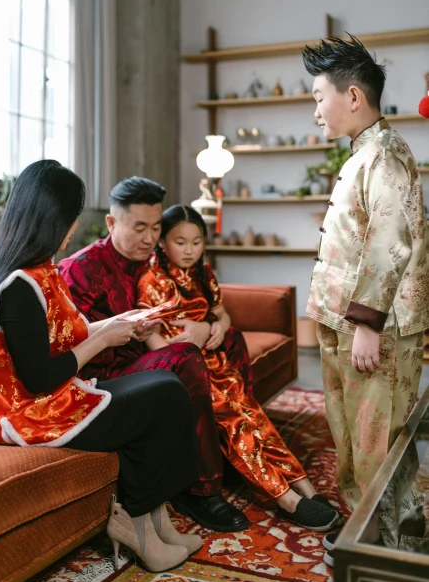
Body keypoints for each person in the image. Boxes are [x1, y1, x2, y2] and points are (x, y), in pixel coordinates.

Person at [0, 160, 203, 573]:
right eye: (70, 219)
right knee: (163, 396)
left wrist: (120, 323)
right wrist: (104, 339)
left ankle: (156, 518)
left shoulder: (42, 272)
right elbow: (38, 379)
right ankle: (138, 526)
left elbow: (69, 332)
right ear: (51, 220)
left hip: (59, 397)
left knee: (165, 383)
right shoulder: (17, 286)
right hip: (32, 414)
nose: (73, 229)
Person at [58, 177, 249, 532]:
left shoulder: (161, 260)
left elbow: (201, 304)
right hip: (106, 374)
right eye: (139, 228)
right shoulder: (81, 269)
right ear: (112, 223)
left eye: (156, 227)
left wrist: (210, 326)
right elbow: (63, 343)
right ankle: (201, 490)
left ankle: (233, 448)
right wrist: (116, 331)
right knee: (184, 358)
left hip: (145, 359)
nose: (149, 238)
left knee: (232, 338)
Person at [302, 35, 429, 564]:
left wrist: (369, 324)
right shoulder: (366, 151)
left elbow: (390, 238)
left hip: (375, 326)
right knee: (355, 433)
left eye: (318, 97)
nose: (315, 112)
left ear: (352, 96)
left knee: (378, 436)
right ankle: (384, 528)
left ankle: (379, 539)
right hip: (347, 320)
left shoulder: (386, 154)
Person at [136, 205, 340, 532]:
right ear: (163, 243)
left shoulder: (204, 272)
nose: (189, 250)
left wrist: (215, 325)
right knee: (235, 423)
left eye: (196, 241)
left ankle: (306, 487)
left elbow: (223, 313)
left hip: (218, 364)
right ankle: (285, 497)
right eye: (180, 242)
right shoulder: (152, 281)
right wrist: (185, 354)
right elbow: (152, 340)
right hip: (188, 372)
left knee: (253, 415)